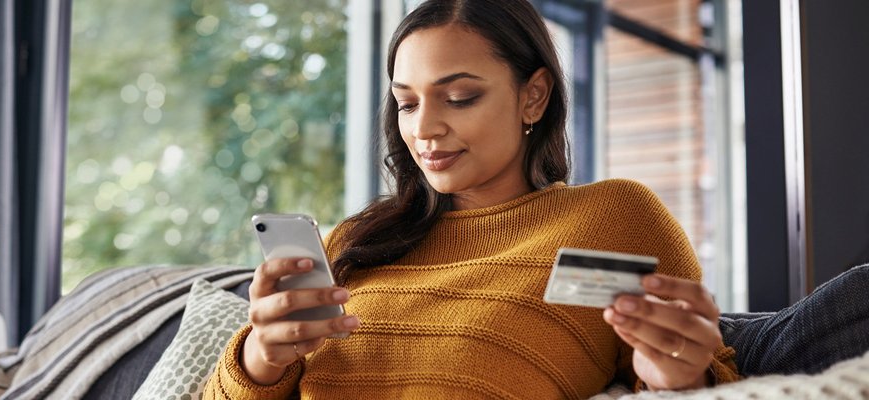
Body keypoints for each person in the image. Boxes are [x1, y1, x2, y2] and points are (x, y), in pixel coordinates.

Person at [204, 0, 740, 398]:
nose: (425, 129)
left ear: (534, 96)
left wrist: (682, 378)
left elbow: (709, 380)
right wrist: (261, 357)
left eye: (460, 97)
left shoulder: (613, 219)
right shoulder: (357, 242)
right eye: (406, 104)